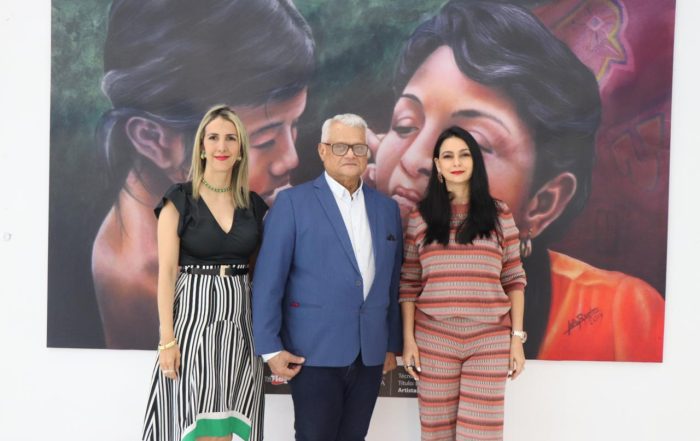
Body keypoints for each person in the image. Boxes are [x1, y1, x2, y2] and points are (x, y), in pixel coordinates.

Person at [371, 0, 664, 361]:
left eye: (472, 146)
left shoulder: (622, 319)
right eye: (404, 126)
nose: (414, 159)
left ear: (543, 204)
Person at [92, 0, 314, 348]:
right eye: (264, 140)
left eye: (295, 124)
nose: (290, 159)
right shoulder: (144, 274)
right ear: (153, 140)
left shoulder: (222, 199)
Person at [252, 114, 403, 441]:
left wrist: (391, 343)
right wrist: (269, 348)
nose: (350, 154)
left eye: (358, 147)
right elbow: (268, 281)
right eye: (340, 146)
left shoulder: (387, 209)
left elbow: (392, 283)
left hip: (369, 353)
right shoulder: (292, 203)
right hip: (312, 352)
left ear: (367, 153)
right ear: (322, 151)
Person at [142, 105, 268, 441]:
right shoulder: (179, 199)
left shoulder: (255, 205)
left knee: (223, 426)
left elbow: (268, 272)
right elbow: (167, 273)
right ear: (201, 146)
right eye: (213, 138)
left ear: (241, 149)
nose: (221, 146)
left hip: (240, 325)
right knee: (195, 425)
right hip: (193, 323)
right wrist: (167, 340)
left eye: (230, 138)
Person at [400, 126, 526, 441]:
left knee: (480, 435)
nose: (456, 162)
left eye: (464, 154)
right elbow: (409, 283)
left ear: (475, 161)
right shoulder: (420, 217)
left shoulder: (499, 214)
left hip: (488, 341)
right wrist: (409, 341)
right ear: (437, 165)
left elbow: (514, 278)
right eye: (448, 156)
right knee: (436, 434)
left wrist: (516, 339)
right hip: (434, 340)